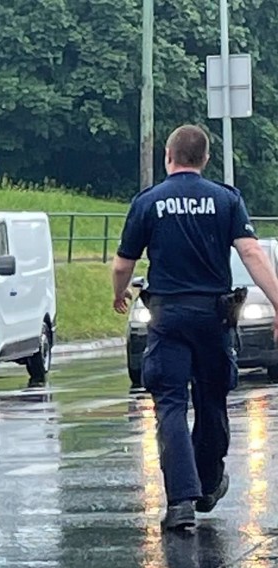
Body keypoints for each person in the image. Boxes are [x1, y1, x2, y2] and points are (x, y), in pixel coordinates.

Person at [112, 123, 278, 531]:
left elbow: (123, 263)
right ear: (204, 160)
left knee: (169, 404)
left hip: (167, 317)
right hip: (213, 317)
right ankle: (207, 483)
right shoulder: (226, 199)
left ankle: (181, 502)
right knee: (212, 398)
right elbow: (252, 252)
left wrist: (120, 294)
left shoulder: (149, 202)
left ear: (168, 157)